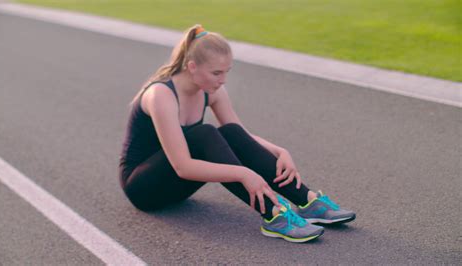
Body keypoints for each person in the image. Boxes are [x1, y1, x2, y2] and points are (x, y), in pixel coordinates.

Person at [118, 24, 356, 243]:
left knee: (230, 131)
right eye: (216, 73)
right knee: (205, 133)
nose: (223, 80)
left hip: (176, 188)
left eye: (226, 72)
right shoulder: (161, 95)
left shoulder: (211, 90)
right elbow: (182, 166)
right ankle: (274, 216)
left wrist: (279, 150)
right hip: (143, 189)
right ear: (192, 67)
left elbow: (241, 136)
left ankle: (308, 201)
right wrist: (243, 174)